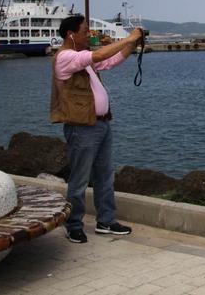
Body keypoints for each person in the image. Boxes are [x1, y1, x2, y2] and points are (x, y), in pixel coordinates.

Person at [50, 14, 143, 243]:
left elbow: (110, 61)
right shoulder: (65, 57)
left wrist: (132, 44)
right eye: (84, 31)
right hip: (81, 127)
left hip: (101, 123)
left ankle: (106, 221)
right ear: (71, 34)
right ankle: (73, 225)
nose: (88, 35)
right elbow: (100, 54)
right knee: (80, 179)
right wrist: (129, 37)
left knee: (105, 175)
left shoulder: (83, 59)